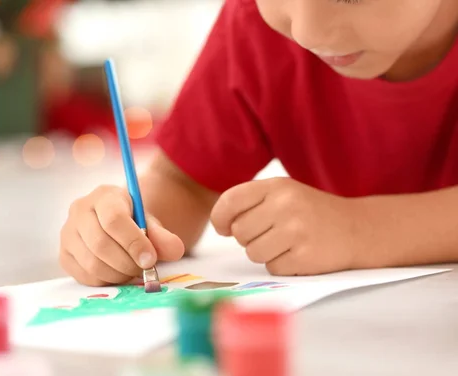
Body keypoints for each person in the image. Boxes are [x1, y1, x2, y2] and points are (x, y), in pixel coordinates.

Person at [59, 0, 458, 286]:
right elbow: (185, 183)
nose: (307, 32)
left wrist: (358, 231)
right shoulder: (255, 25)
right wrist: (126, 227)